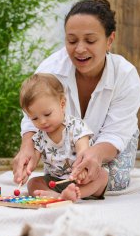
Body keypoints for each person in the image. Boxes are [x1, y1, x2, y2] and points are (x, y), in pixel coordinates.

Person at [13, 0, 140, 192]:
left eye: (90, 40)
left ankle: (76, 191)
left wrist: (94, 154)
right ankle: (67, 190)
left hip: (109, 145)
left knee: (115, 180)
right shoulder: (51, 69)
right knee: (58, 179)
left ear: (109, 40)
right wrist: (27, 147)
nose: (79, 49)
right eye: (71, 40)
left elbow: (116, 134)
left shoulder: (125, 75)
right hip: (66, 148)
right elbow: (32, 117)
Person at [19, 73, 108, 201]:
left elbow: (84, 152)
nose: (42, 121)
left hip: (81, 179)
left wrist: (82, 170)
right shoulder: (39, 137)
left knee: (102, 176)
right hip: (54, 182)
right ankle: (55, 195)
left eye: (47, 114)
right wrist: (25, 171)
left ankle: (76, 194)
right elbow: (33, 160)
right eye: (34, 118)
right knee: (33, 183)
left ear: (62, 104)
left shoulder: (75, 126)